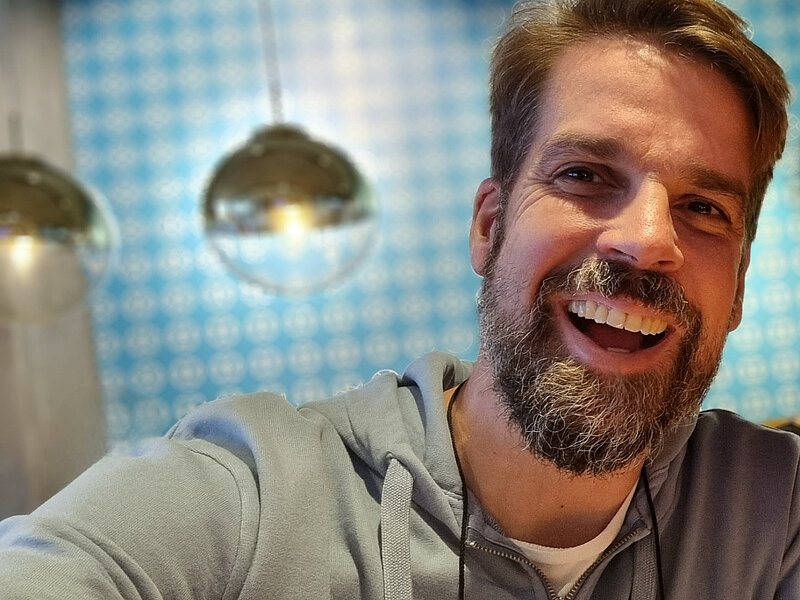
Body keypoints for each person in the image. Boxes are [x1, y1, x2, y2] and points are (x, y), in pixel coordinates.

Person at [0, 0, 797, 598]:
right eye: (584, 175)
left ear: (736, 287)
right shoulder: (255, 497)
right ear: (489, 226)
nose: (648, 240)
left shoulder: (775, 512)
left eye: (704, 208)